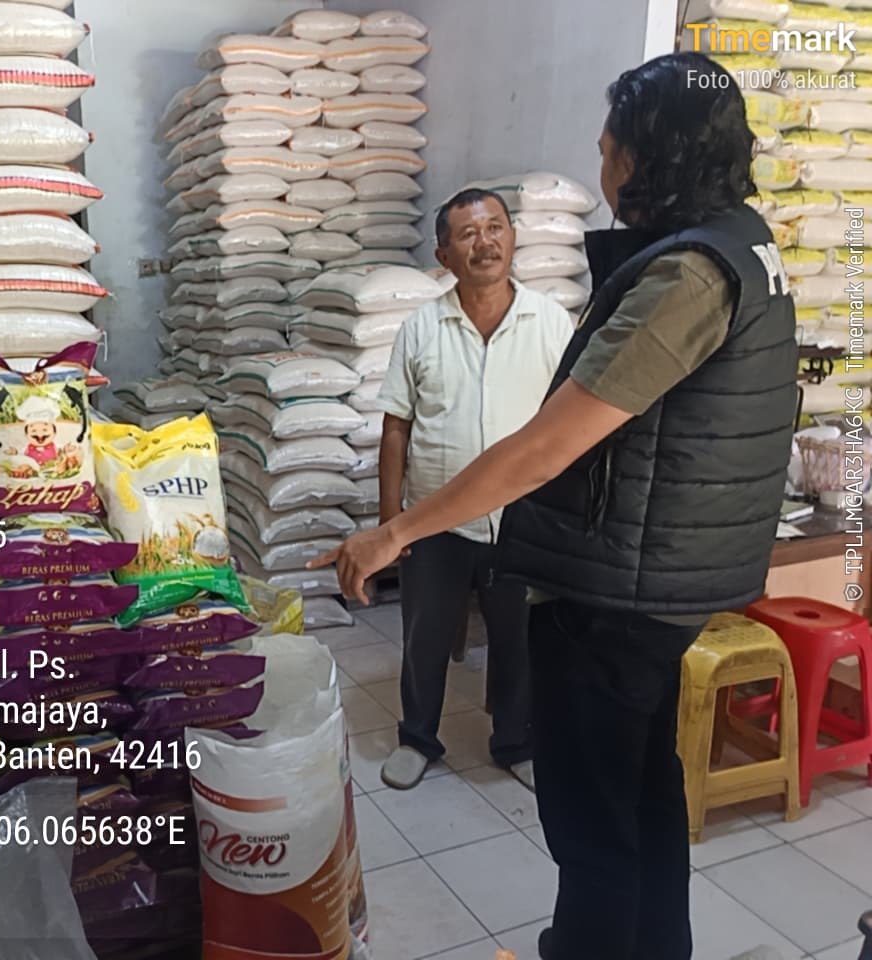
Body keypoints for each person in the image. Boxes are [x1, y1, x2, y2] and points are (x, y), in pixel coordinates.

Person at [312, 51, 797, 960]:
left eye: (610, 149)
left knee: (595, 825)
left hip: (619, 592)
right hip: (662, 582)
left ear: (651, 156)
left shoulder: (690, 277)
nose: (602, 167)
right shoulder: (746, 245)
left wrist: (394, 532)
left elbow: (546, 447)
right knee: (643, 795)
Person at [377, 188, 574, 790]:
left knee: (519, 638)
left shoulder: (551, 322)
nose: (484, 243)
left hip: (523, 518)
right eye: (468, 234)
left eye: (495, 229)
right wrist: (391, 524)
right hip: (436, 518)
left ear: (512, 238)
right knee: (424, 637)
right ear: (444, 255)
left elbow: (570, 423)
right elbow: (396, 427)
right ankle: (417, 738)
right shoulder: (421, 327)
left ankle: (516, 741)